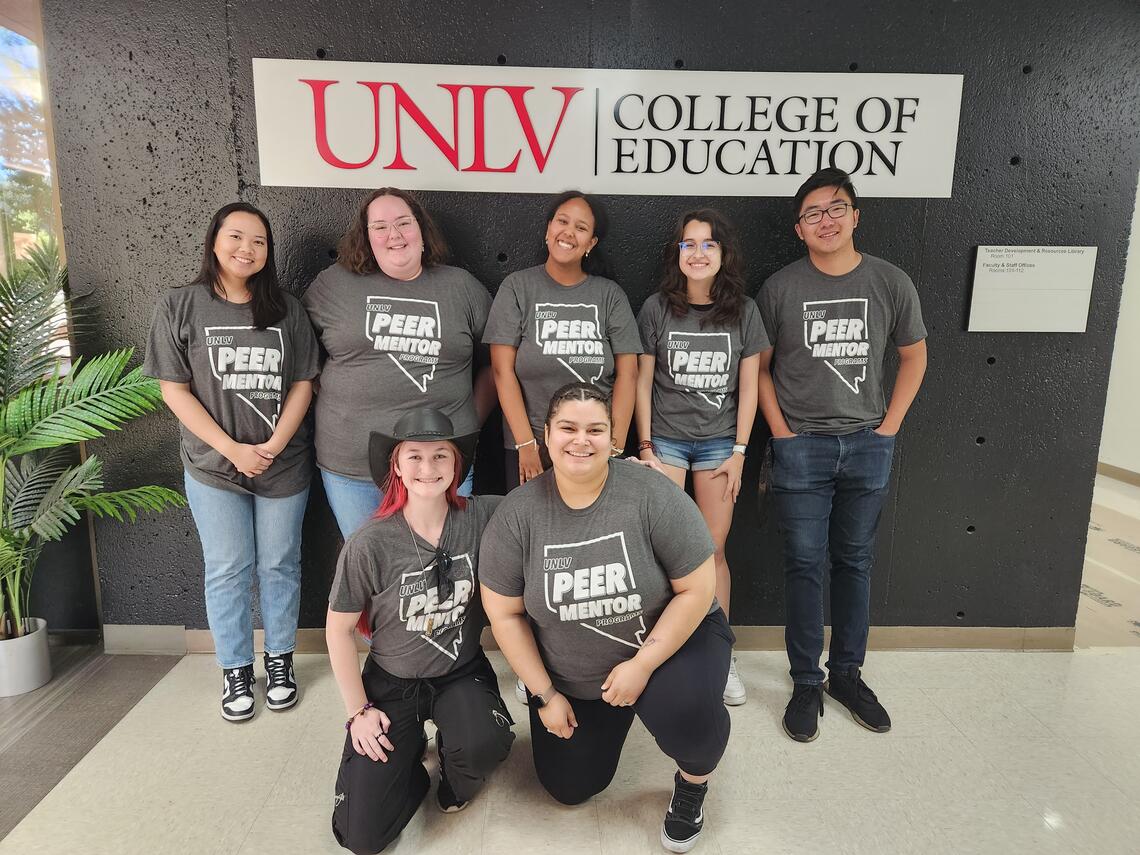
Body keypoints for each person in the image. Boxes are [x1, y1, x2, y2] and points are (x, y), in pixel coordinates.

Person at [480, 383, 733, 854]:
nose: (582, 440)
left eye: (596, 429)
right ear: (547, 435)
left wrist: (642, 667)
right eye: (568, 428)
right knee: (568, 788)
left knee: (687, 716)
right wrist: (546, 693)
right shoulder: (517, 515)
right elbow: (505, 614)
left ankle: (693, 782)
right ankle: (616, 711)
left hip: (671, 644)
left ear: (613, 439)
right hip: (579, 675)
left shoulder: (650, 492)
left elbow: (698, 589)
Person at [757, 167, 928, 742]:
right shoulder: (781, 288)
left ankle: (847, 675)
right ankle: (806, 680)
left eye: (836, 209)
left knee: (855, 562)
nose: (825, 221)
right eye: (812, 214)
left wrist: (888, 429)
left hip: (866, 446)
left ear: (855, 216)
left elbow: (914, 356)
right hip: (799, 447)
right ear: (799, 229)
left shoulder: (890, 281)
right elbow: (757, 368)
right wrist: (780, 433)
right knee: (804, 564)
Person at [144, 202, 318, 721]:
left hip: (283, 466)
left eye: (259, 241)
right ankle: (236, 670)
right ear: (214, 241)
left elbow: (304, 382)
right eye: (236, 237)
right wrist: (234, 450)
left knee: (280, 564)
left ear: (269, 251)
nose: (247, 248)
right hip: (213, 468)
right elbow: (173, 390)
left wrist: (271, 446)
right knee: (226, 569)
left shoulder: (287, 309)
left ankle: (281, 660)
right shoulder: (180, 304)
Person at [326, 409, 514, 854]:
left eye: (439, 456)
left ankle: (453, 762)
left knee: (485, 745)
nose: (427, 469)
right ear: (396, 465)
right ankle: (409, 757)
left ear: (456, 465)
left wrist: (622, 470)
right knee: (362, 836)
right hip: (392, 683)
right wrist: (358, 712)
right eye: (414, 456)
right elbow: (338, 632)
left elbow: (549, 498)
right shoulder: (369, 543)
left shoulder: (483, 515)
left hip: (460, 671)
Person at [635, 208, 770, 706]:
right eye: (688, 244)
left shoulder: (745, 310)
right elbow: (643, 382)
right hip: (666, 441)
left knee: (712, 551)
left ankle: (719, 654)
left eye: (708, 244)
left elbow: (751, 386)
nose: (697, 253)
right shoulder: (656, 308)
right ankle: (659, 650)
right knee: (662, 553)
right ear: (677, 254)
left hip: (719, 444)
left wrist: (739, 452)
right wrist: (645, 446)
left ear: (723, 253)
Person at [303, 188, 494, 537]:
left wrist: (469, 421)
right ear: (366, 237)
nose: (394, 235)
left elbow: (500, 360)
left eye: (404, 223)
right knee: (371, 574)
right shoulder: (333, 285)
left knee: (443, 571)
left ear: (421, 230)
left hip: (439, 466)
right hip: (352, 467)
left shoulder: (462, 288)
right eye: (380, 227)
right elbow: (299, 355)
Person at [483, 190, 642, 490]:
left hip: (592, 446)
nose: (568, 232)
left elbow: (629, 374)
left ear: (591, 243)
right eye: (562, 221)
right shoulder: (518, 287)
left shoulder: (609, 295)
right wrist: (525, 445)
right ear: (548, 229)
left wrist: (614, 446)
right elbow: (502, 372)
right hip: (531, 446)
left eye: (581, 227)